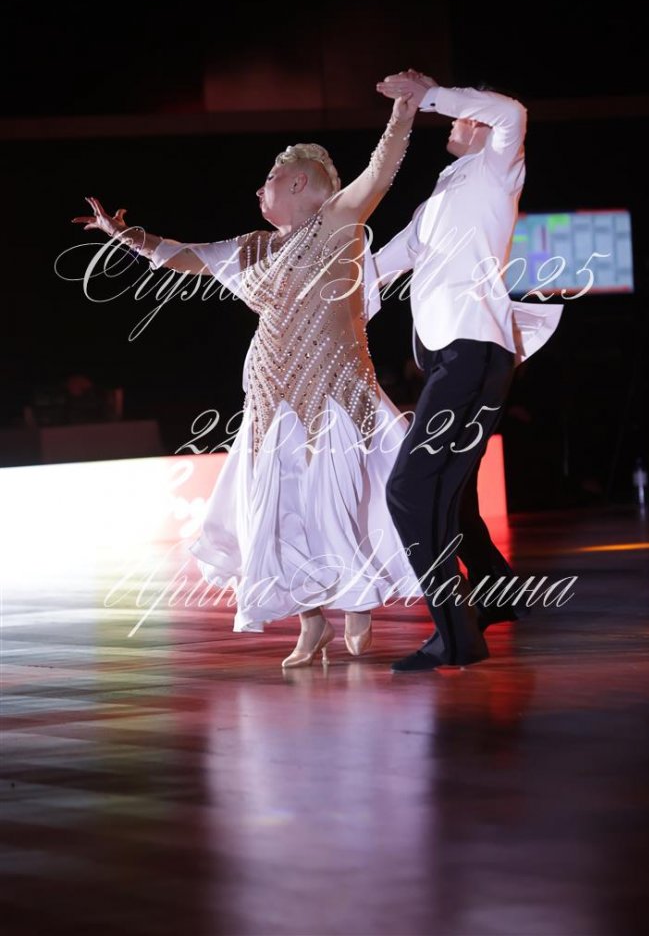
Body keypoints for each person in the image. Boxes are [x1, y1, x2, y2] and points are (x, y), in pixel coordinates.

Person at [72, 92, 423, 668]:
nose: (259, 190)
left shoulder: (337, 223)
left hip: (335, 389)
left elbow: (380, 171)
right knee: (280, 508)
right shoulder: (253, 247)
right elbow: (184, 255)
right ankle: (311, 621)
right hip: (270, 396)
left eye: (269, 179)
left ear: (299, 183)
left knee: (340, 497)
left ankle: (357, 600)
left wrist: (403, 112)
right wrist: (123, 236)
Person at [370, 70, 561, 671]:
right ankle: (495, 594)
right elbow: (388, 260)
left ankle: (455, 636)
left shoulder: (497, 168)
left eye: (460, 114)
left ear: (479, 124)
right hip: (455, 357)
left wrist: (428, 94)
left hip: (473, 351)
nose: (452, 122)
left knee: (410, 490)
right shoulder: (443, 193)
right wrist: (316, 292)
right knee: (449, 492)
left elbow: (512, 111)